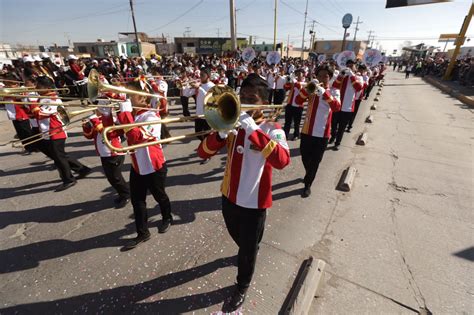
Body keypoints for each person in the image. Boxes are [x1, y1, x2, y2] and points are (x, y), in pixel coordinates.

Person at [197, 74, 290, 312]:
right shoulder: (231, 125)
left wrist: (253, 129)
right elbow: (202, 153)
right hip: (229, 196)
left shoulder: (272, 128)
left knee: (247, 251)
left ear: (263, 102)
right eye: (243, 96)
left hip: (255, 202)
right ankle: (250, 251)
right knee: (242, 242)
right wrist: (218, 134)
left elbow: (282, 161)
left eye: (251, 98)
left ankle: (242, 284)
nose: (245, 101)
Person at [117, 80, 173, 250]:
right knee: (137, 200)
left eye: (131, 95)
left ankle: (167, 217)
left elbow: (136, 137)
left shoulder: (151, 116)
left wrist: (125, 113)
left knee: (159, 195)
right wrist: (104, 114)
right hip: (137, 166)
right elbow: (115, 132)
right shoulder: (132, 115)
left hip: (153, 165)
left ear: (143, 98)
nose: (128, 97)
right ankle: (142, 232)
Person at [31, 76, 92, 191]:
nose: (36, 88)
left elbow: (39, 114)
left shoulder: (52, 99)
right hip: (48, 131)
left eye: (39, 86)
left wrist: (32, 103)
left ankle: (68, 179)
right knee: (59, 156)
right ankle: (82, 169)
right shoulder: (43, 98)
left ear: (47, 87)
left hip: (55, 132)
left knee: (59, 158)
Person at [298, 65, 341, 197]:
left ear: (330, 77)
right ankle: (309, 174)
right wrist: (307, 89)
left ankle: (308, 184)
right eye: (320, 75)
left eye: (326, 76)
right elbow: (297, 100)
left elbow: (336, 107)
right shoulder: (311, 89)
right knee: (305, 156)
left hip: (322, 133)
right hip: (307, 131)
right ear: (316, 76)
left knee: (316, 161)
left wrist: (325, 93)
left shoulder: (334, 91)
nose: (323, 78)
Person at [82, 107, 131, 208]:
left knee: (116, 177)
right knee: (111, 178)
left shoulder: (112, 120)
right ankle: (122, 193)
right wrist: (86, 127)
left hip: (113, 153)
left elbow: (107, 134)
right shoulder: (95, 121)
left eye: (98, 108)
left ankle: (126, 195)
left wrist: (94, 120)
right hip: (104, 154)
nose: (95, 110)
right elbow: (89, 136)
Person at [182, 68, 215, 164]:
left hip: (207, 115)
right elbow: (186, 94)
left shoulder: (212, 86)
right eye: (200, 75)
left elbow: (210, 99)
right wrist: (185, 86)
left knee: (207, 135)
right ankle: (205, 147)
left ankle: (207, 153)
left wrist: (198, 88)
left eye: (202, 75)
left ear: (208, 76)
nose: (200, 77)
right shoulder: (199, 85)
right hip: (198, 114)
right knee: (198, 133)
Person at [330, 60, 364, 150]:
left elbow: (359, 88)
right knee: (333, 124)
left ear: (354, 67)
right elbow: (334, 86)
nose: (349, 67)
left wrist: (352, 76)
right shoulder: (341, 75)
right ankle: (333, 137)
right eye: (348, 65)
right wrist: (341, 75)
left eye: (351, 66)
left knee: (341, 127)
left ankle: (338, 142)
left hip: (347, 107)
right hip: (337, 105)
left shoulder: (358, 77)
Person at [2, 75, 36, 154]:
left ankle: (33, 147)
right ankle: (28, 147)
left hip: (20, 114)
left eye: (9, 84)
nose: (7, 86)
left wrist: (15, 92)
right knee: (21, 133)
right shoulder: (5, 90)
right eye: (6, 84)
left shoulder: (20, 90)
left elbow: (20, 98)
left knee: (27, 132)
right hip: (13, 115)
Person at [283, 69, 308, 140]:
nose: (298, 75)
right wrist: (288, 81)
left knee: (297, 123)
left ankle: (296, 135)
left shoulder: (305, 84)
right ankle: (285, 135)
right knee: (287, 122)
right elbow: (285, 87)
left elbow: (305, 94)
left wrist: (297, 84)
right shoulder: (294, 82)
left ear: (303, 75)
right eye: (297, 74)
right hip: (290, 105)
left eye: (300, 74)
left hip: (298, 106)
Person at [346, 64, 368, 133]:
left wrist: (360, 79)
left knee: (354, 113)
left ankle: (350, 126)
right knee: (348, 111)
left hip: (358, 98)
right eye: (359, 69)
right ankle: (345, 123)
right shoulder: (354, 74)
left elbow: (365, 85)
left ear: (364, 71)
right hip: (351, 97)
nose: (360, 71)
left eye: (362, 70)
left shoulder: (365, 77)